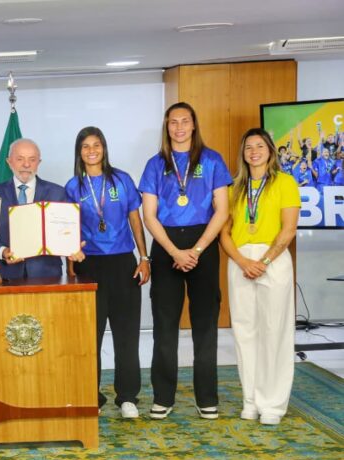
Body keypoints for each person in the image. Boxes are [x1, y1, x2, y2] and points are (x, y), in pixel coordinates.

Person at [139, 102, 231, 420]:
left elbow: (222, 210)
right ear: (167, 127)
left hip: (202, 245)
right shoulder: (155, 164)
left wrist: (197, 250)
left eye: (185, 121)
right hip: (166, 245)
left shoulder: (212, 159)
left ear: (194, 125)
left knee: (205, 325)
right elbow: (148, 215)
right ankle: (163, 397)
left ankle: (206, 397)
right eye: (173, 122)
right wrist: (174, 252)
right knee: (165, 327)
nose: (179, 127)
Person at [64, 127, 150, 418]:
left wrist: (144, 256)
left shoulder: (122, 180)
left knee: (127, 335)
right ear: (79, 151)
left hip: (123, 263)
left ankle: (127, 397)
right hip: (90, 265)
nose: (91, 150)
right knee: (90, 337)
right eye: (86, 146)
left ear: (104, 148)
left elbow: (135, 219)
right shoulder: (73, 186)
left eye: (96, 144)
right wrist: (71, 268)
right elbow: (67, 229)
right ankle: (91, 396)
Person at [219, 128, 300, 425]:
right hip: (240, 261)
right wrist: (242, 261)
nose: (254, 151)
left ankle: (273, 404)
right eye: (248, 147)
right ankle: (251, 399)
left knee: (274, 331)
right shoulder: (234, 188)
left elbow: (288, 229)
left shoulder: (285, 183)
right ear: (243, 153)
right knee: (244, 332)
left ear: (270, 150)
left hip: (273, 260)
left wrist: (264, 261)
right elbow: (223, 233)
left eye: (259, 146)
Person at [0, 138, 84, 278]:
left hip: (47, 276)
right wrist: (3, 252)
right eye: (20, 159)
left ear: (39, 163)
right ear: (9, 162)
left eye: (32, 159)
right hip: (6, 277)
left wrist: (71, 247)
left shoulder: (57, 192)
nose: (26, 164)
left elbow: (65, 231)